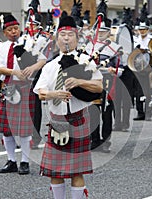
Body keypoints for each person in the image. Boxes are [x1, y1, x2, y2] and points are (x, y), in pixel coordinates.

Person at [34, 16, 103, 199]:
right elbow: (40, 92)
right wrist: (53, 94)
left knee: (76, 172)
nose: (66, 38)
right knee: (55, 172)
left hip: (78, 118)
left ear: (77, 37)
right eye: (62, 34)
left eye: (70, 34)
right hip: (56, 122)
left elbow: (99, 87)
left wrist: (79, 81)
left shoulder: (86, 62)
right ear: (57, 38)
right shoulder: (50, 66)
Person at [0, 14, 46, 175]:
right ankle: (11, 161)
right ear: (4, 32)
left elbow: (43, 59)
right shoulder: (0, 48)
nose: (14, 32)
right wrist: (14, 71)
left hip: (25, 87)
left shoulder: (30, 42)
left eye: (16, 28)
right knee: (7, 128)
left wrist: (32, 68)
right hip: (9, 87)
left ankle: (24, 161)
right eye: (10, 30)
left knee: (24, 128)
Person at [85, 17, 123, 153]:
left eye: (104, 31)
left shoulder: (116, 47)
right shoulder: (88, 46)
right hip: (92, 82)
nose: (100, 33)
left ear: (109, 33)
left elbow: (122, 69)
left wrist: (114, 71)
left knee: (107, 114)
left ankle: (105, 142)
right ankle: (94, 140)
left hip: (108, 82)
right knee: (93, 112)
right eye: (99, 31)